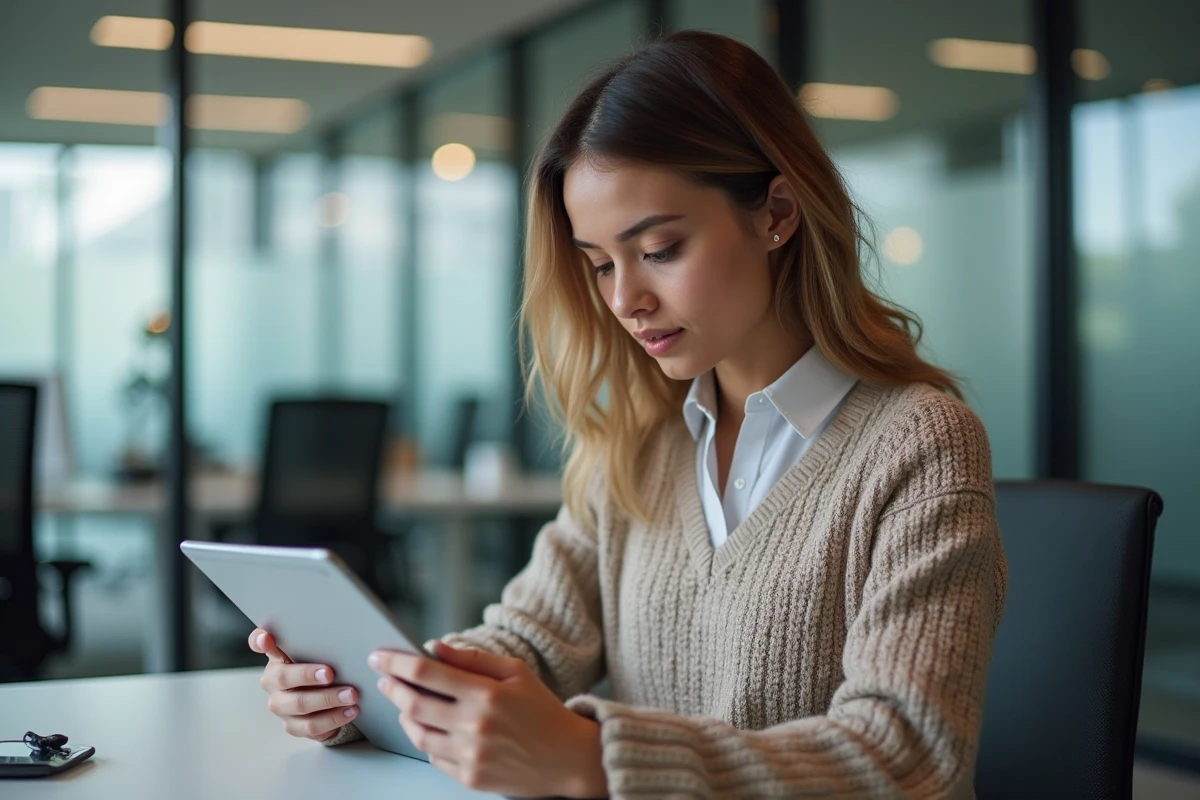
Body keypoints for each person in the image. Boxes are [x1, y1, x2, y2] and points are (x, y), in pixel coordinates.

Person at [250, 30, 1007, 799]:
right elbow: (527, 644)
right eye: (602, 264)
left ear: (776, 212)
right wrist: (369, 692)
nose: (624, 300)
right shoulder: (643, 439)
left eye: (660, 248)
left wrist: (592, 760)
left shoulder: (918, 442)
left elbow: (907, 756)